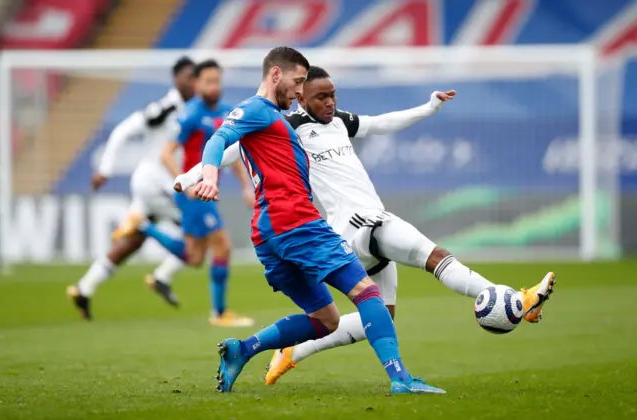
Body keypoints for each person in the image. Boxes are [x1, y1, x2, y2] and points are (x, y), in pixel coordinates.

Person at [177, 65, 556, 385]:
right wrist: (193, 174)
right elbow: (231, 147)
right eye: (320, 97)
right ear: (301, 98)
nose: (330, 102)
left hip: (369, 223)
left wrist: (429, 107)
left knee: (380, 316)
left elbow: (381, 123)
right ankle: (515, 300)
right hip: (357, 226)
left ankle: (294, 350)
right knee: (435, 256)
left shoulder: (340, 122)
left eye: (333, 95)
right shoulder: (285, 124)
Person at [194, 47, 444, 395]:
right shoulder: (256, 109)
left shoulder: (274, 118)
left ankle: (243, 350)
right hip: (296, 222)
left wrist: (195, 175)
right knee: (368, 294)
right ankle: (401, 379)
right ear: (276, 75)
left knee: (326, 320)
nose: (300, 92)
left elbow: (230, 145)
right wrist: (207, 175)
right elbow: (219, 138)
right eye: (297, 83)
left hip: (267, 231)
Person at [115, 59, 255, 327]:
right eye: (208, 81)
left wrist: (246, 186)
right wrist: (186, 183)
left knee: (194, 257)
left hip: (207, 190)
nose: (214, 86)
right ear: (197, 84)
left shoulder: (227, 113)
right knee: (222, 247)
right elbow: (166, 153)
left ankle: (143, 225)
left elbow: (233, 155)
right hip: (195, 193)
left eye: (217, 81)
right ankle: (219, 313)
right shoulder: (190, 113)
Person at [66, 57, 197, 320]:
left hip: (155, 184)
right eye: (189, 77)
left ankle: (84, 287)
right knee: (200, 232)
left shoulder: (189, 109)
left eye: (196, 77)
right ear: (177, 79)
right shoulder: (165, 108)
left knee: (132, 243)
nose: (193, 82)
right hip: (155, 183)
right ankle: (161, 275)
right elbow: (123, 130)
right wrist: (105, 168)